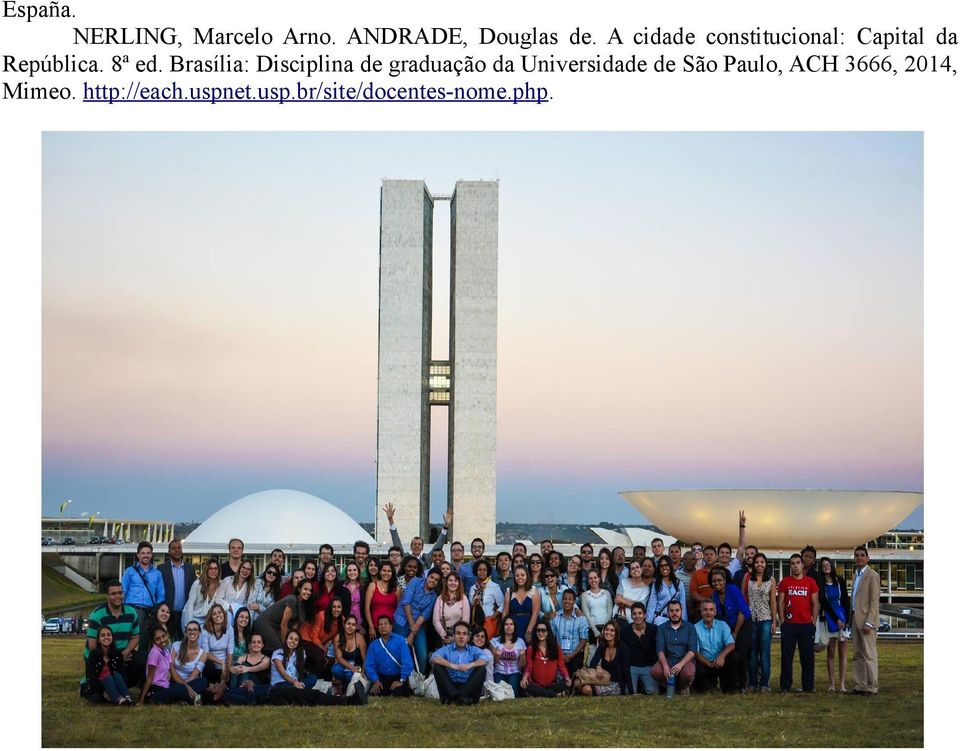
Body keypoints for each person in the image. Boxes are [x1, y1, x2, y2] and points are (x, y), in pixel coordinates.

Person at [269, 630, 364, 705]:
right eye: (291, 638)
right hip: (281, 686)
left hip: (296, 684)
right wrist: (295, 683)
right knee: (313, 695)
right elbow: (283, 673)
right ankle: (347, 701)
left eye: (296, 640)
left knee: (313, 678)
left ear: (298, 643)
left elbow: (300, 672)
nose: (293, 641)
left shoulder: (299, 654)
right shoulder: (278, 653)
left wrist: (298, 683)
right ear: (286, 640)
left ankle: (305, 692)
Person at [82, 580, 139, 696]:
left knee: (144, 660)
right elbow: (93, 646)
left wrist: (125, 652)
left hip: (121, 654)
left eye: (120, 593)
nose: (117, 596)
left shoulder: (131, 612)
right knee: (98, 696)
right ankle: (86, 685)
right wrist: (113, 658)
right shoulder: (97, 615)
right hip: (99, 656)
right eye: (113, 594)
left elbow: (135, 637)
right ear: (107, 596)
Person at [778, 552, 820, 693]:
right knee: (786, 657)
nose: (795, 566)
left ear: (802, 565)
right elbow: (780, 602)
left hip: (806, 625)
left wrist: (813, 622)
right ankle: (785, 686)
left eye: (797, 563)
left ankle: (808, 686)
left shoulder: (810, 582)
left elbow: (815, 603)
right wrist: (782, 621)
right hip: (789, 625)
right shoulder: (785, 582)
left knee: (807, 657)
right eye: (792, 563)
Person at [710, 566, 752, 691]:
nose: (717, 583)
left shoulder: (733, 589)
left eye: (719, 580)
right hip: (728, 626)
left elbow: (741, 614)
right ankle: (730, 681)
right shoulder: (714, 595)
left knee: (741, 652)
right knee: (729, 653)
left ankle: (743, 683)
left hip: (742, 623)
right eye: (714, 581)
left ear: (725, 580)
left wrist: (735, 633)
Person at [430, 621, 492, 705]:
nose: (461, 637)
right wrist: (452, 665)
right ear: (454, 636)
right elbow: (434, 657)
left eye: (464, 634)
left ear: (468, 637)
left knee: (481, 669)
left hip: (468, 686)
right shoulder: (447, 649)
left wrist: (470, 665)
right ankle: (459, 698)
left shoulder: (473, 650)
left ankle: (456, 698)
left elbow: (485, 659)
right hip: (450, 686)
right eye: (458, 633)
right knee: (437, 667)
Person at [392, 566, 441, 672]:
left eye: (436, 580)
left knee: (422, 654)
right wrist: (411, 626)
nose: (433, 581)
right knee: (398, 650)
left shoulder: (433, 596)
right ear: (427, 576)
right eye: (432, 577)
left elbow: (424, 615)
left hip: (418, 626)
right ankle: (398, 678)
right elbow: (406, 602)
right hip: (402, 620)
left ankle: (420, 679)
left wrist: (412, 634)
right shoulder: (415, 581)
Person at [742, 551, 777, 692]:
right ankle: (752, 683)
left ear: (765, 563)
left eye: (762, 562)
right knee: (752, 653)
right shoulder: (747, 578)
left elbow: (773, 601)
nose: (759, 564)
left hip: (765, 619)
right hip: (751, 619)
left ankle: (764, 684)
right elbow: (743, 597)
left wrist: (774, 621)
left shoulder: (771, 580)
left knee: (764, 654)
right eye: (757, 562)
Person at [150, 620, 208, 705]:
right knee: (178, 688)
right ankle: (191, 699)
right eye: (189, 630)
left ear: (199, 633)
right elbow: (171, 668)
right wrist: (185, 686)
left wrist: (186, 686)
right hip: (174, 680)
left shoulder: (203, 654)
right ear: (185, 633)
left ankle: (177, 698)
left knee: (203, 681)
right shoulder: (176, 645)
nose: (192, 632)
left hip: (190, 682)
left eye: (195, 629)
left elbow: (193, 676)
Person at [253, 577, 314, 655]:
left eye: (310, 590)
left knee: (283, 648)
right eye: (305, 589)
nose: (308, 592)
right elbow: (283, 625)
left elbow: (294, 629)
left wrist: (291, 641)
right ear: (299, 589)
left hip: (276, 626)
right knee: (280, 648)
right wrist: (285, 645)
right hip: (264, 622)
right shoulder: (292, 600)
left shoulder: (303, 605)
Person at [850, 545, 880, 697]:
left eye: (862, 555)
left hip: (866, 621)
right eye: (857, 555)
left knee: (869, 655)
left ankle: (871, 687)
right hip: (855, 619)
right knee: (858, 654)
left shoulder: (872, 575)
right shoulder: (856, 575)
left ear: (867, 558)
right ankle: (860, 685)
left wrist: (870, 622)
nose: (859, 557)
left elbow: (874, 602)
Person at [383, 502, 451, 569]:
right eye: (414, 544)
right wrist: (390, 520)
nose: (416, 546)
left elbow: (438, 546)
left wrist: (446, 526)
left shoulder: (426, 560)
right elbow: (397, 543)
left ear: (422, 547)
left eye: (419, 544)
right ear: (411, 546)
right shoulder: (405, 558)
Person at [818, 556, 851, 693]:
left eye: (828, 564)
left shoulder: (840, 581)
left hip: (842, 617)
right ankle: (832, 684)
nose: (826, 566)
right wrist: (836, 619)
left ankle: (842, 684)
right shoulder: (821, 584)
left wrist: (846, 620)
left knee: (842, 653)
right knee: (830, 653)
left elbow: (845, 600)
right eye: (823, 565)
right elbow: (824, 602)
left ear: (831, 566)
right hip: (830, 618)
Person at [121, 541, 165, 641]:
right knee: (128, 640)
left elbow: (161, 595)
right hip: (132, 609)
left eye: (148, 553)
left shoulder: (157, 574)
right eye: (143, 553)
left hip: (149, 613)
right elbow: (122, 591)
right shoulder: (130, 571)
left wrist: (156, 610)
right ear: (138, 555)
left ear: (151, 555)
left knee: (144, 643)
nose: (146, 555)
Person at [651, 600, 697, 694]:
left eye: (677, 610)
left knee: (688, 674)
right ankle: (670, 686)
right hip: (668, 659)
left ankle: (683, 687)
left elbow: (692, 650)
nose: (674, 613)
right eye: (671, 611)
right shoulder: (661, 628)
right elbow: (660, 649)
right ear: (668, 613)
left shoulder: (690, 627)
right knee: (655, 671)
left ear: (681, 611)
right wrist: (664, 665)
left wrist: (681, 664)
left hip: (685, 660)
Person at [693, 600, 739, 693]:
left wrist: (721, 656)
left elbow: (731, 644)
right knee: (701, 685)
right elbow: (695, 652)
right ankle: (707, 685)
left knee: (735, 657)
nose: (708, 612)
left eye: (711, 610)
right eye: (705, 610)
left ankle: (730, 687)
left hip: (720, 662)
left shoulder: (723, 625)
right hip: (704, 663)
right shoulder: (695, 628)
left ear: (715, 612)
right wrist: (708, 663)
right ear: (701, 612)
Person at [576, 620, 632, 696]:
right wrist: (598, 667)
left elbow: (626, 670)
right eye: (607, 630)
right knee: (578, 683)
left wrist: (631, 692)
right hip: (602, 680)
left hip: (616, 684)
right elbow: (592, 663)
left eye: (612, 630)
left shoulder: (623, 648)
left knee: (587, 689)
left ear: (616, 633)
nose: (608, 632)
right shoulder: (603, 646)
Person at [364, 615, 414, 697]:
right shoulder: (373, 645)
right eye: (380, 625)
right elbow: (369, 665)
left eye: (385, 624)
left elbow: (407, 662)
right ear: (378, 628)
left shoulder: (401, 641)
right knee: (377, 692)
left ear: (391, 627)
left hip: (398, 676)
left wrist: (401, 680)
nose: (383, 626)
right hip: (382, 677)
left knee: (397, 693)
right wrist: (375, 680)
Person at [85, 626, 134, 705]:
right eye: (103, 635)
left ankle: (127, 697)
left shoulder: (117, 654)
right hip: (100, 685)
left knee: (117, 676)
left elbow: (122, 673)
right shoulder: (94, 654)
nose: (106, 637)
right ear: (98, 639)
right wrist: (103, 692)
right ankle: (120, 699)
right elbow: (92, 676)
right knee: (108, 679)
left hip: (114, 683)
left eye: (109, 635)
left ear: (112, 637)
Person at [157, 539, 196, 641]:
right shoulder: (161, 569)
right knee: (167, 642)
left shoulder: (190, 569)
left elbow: (195, 589)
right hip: (168, 614)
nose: (177, 550)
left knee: (186, 641)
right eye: (173, 548)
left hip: (185, 613)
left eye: (179, 548)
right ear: (169, 551)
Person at [520, 622, 571, 697]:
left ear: (548, 632)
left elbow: (561, 666)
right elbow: (529, 667)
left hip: (552, 684)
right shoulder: (531, 649)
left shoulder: (556, 648)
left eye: (543, 630)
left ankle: (542, 693)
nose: (540, 633)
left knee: (566, 683)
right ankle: (556, 695)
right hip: (536, 684)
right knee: (526, 685)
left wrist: (567, 677)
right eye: (538, 630)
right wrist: (524, 678)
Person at [620, 602, 659, 694]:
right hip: (631, 667)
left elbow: (658, 649)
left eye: (640, 613)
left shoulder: (653, 629)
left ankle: (644, 687)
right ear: (631, 616)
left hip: (649, 667)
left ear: (645, 615)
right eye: (634, 613)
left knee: (653, 692)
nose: (637, 616)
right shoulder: (625, 630)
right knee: (628, 693)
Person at [300, 596, 344, 678]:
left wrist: (329, 642)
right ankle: (314, 680)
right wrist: (324, 649)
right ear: (330, 608)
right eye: (334, 607)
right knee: (321, 658)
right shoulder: (321, 616)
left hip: (320, 642)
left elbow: (337, 635)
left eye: (339, 607)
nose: (336, 609)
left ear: (342, 609)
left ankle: (325, 681)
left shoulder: (342, 620)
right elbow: (314, 636)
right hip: (306, 637)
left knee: (330, 659)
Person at [223, 633, 271, 705]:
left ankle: (233, 693)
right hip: (242, 684)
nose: (256, 644)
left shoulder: (266, 659)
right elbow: (234, 668)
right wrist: (231, 669)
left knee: (243, 665)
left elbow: (259, 667)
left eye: (259, 642)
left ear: (263, 645)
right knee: (238, 666)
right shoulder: (243, 657)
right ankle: (235, 691)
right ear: (250, 644)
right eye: (253, 642)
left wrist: (247, 669)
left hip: (256, 686)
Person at [199, 603, 233, 701]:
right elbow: (206, 652)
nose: (218, 615)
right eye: (214, 614)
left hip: (224, 666)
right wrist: (221, 662)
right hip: (212, 665)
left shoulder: (229, 629)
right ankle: (208, 694)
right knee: (208, 665)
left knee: (232, 672)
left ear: (224, 614)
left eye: (220, 612)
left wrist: (227, 668)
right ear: (211, 617)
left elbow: (230, 652)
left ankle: (223, 694)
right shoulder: (205, 630)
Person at [552, 589, 589, 673]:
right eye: (565, 599)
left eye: (570, 599)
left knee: (575, 681)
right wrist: (560, 654)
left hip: (576, 656)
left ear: (574, 601)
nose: (567, 601)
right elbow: (552, 637)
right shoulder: (555, 617)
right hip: (559, 655)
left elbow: (583, 640)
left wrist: (571, 656)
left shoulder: (581, 618)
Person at [580, 569, 613, 659]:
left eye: (595, 577)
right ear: (588, 580)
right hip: (592, 629)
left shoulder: (607, 593)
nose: (593, 580)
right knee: (593, 655)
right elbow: (587, 615)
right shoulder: (584, 595)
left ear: (599, 579)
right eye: (590, 578)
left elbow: (610, 611)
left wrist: (604, 630)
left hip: (607, 629)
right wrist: (596, 632)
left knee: (606, 655)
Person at [504, 565, 541, 645]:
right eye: (517, 575)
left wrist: (529, 630)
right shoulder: (509, 591)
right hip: (513, 627)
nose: (519, 577)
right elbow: (505, 613)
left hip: (529, 624)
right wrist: (505, 629)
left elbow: (535, 613)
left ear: (527, 576)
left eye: (522, 575)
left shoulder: (533, 591)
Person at [181, 558, 221, 632]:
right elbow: (190, 605)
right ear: (206, 570)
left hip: (206, 621)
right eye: (210, 568)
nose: (213, 571)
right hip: (192, 617)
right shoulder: (197, 584)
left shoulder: (220, 585)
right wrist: (189, 625)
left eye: (216, 569)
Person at [468, 559, 504, 639]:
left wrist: (494, 616)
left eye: (484, 570)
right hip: (475, 624)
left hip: (488, 622)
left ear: (488, 571)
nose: (482, 572)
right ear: (476, 571)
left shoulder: (494, 586)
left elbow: (502, 604)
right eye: (480, 570)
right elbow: (471, 604)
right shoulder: (473, 588)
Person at [491, 615, 526, 695]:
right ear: (503, 626)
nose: (509, 626)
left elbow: (522, 665)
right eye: (506, 624)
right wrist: (496, 656)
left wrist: (523, 656)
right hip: (498, 672)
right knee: (499, 694)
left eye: (511, 624)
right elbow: (492, 664)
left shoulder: (520, 642)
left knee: (513, 694)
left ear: (514, 627)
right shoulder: (495, 641)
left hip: (515, 672)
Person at [433, 571, 471, 646]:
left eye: (455, 581)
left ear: (459, 583)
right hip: (443, 635)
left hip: (459, 636)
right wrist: (444, 636)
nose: (453, 583)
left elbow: (465, 622)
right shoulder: (440, 598)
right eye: (450, 580)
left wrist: (454, 638)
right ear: (446, 582)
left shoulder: (463, 598)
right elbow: (435, 620)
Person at [364, 560, 399, 640]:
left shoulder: (397, 589)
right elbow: (366, 608)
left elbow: (399, 610)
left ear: (392, 573)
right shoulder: (372, 586)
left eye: (389, 571)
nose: (386, 573)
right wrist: (371, 626)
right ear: (380, 572)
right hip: (375, 628)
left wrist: (393, 627)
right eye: (384, 570)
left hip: (391, 628)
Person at [138, 626, 173, 705]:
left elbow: (171, 671)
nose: (162, 640)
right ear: (153, 642)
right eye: (158, 639)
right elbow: (150, 678)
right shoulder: (155, 653)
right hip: (156, 687)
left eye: (163, 636)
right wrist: (141, 700)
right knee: (179, 690)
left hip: (165, 686)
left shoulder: (166, 651)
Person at [648, 556, 687, 625]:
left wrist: (684, 623)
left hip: (676, 620)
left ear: (670, 566)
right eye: (661, 566)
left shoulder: (679, 583)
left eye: (666, 565)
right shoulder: (656, 583)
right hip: (660, 619)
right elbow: (652, 604)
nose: (664, 568)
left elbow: (682, 604)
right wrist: (648, 623)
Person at [332, 614, 367, 688]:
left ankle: (348, 689)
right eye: (348, 624)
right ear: (344, 625)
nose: (350, 627)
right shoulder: (337, 638)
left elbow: (365, 659)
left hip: (357, 666)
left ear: (356, 627)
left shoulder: (360, 639)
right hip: (344, 665)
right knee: (335, 669)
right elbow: (339, 658)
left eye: (353, 625)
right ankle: (340, 685)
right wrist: (351, 667)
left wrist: (362, 672)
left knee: (349, 675)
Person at [689, 545, 719, 620]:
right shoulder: (697, 574)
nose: (709, 556)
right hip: (701, 612)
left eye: (711, 554)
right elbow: (693, 594)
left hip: (719, 612)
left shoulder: (722, 572)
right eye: (706, 555)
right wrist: (707, 601)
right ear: (703, 556)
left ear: (716, 556)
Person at [342, 561, 366, 627]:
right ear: (346, 573)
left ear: (358, 572)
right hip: (345, 623)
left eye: (354, 570)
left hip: (361, 624)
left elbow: (367, 607)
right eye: (349, 570)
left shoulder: (364, 586)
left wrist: (364, 625)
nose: (352, 572)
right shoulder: (341, 586)